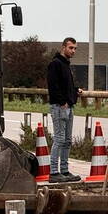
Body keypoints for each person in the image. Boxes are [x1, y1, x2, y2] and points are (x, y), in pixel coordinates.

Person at [46, 37, 82, 182]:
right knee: (59, 139)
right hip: (60, 107)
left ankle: (65, 170)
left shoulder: (66, 65)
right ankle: (54, 172)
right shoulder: (55, 64)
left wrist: (75, 91)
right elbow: (53, 85)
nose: (73, 51)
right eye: (71, 48)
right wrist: (62, 102)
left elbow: (65, 85)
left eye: (75, 48)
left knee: (67, 140)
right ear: (63, 47)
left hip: (68, 105)